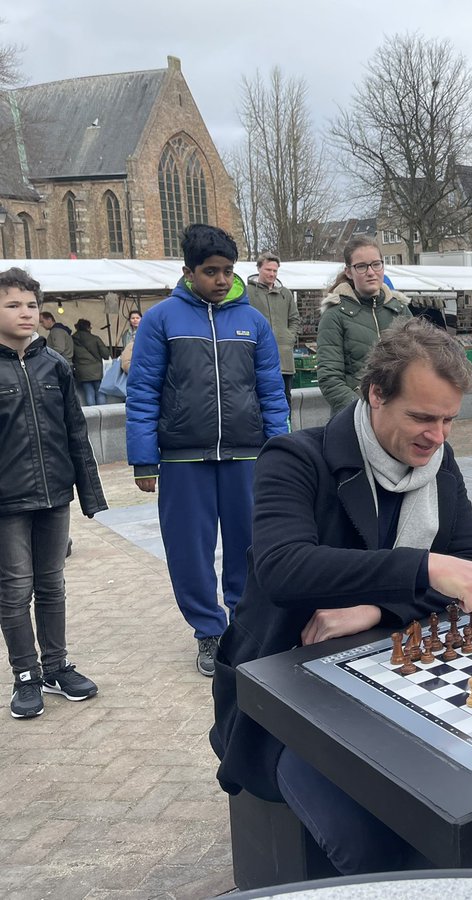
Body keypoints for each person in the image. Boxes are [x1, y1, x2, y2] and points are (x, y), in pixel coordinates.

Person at [210, 318, 472, 876]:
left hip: (395, 687)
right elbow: (283, 569)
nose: (437, 436)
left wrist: (377, 608)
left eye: (448, 420)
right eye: (422, 417)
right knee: (369, 845)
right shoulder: (294, 458)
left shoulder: (438, 465)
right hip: (286, 696)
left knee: (451, 817)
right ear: (375, 393)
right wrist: (424, 566)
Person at [126, 224, 290, 677]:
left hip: (247, 455)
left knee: (249, 547)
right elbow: (143, 391)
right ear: (188, 272)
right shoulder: (162, 320)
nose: (220, 279)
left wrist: (279, 450)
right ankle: (208, 631)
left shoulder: (253, 321)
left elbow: (271, 392)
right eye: (210, 271)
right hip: (183, 459)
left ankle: (244, 625)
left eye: (227, 271)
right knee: (189, 551)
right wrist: (144, 458)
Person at [0, 267, 107, 718]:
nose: (25, 313)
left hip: (54, 495)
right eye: (12, 305)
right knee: (14, 590)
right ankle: (25, 675)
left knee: (52, 585)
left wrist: (90, 494)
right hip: (7, 503)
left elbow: (75, 432)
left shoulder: (55, 365)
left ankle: (56, 667)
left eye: (30, 305)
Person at [317, 237, 413, 415]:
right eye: (361, 266)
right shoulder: (334, 315)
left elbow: (417, 364)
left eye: (376, 264)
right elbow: (330, 377)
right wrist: (363, 412)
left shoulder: (401, 310)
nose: (371, 272)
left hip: (399, 414)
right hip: (356, 417)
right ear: (349, 272)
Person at [247, 253, 301, 409]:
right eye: (268, 270)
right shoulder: (247, 292)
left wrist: (289, 338)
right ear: (259, 269)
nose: (272, 274)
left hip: (284, 358)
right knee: (258, 400)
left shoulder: (286, 294)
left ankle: (287, 426)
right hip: (257, 358)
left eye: (275, 270)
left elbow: (294, 319)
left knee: (285, 399)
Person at [70, 318, 109, 407]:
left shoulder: (72, 340)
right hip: (96, 370)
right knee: (100, 392)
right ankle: (103, 411)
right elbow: (106, 354)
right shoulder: (95, 338)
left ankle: (93, 413)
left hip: (82, 370)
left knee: (89, 393)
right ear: (88, 328)